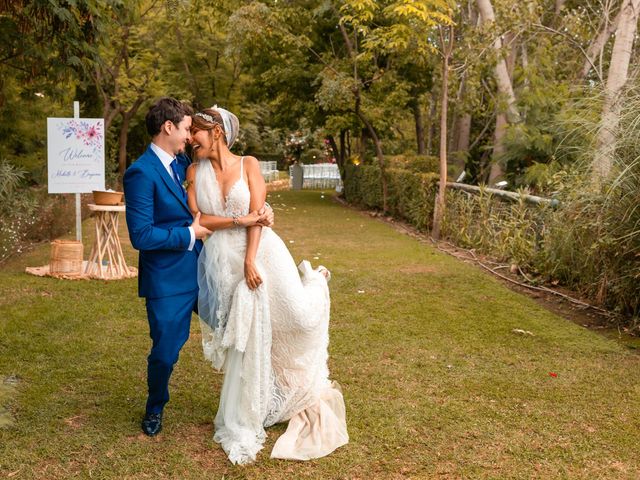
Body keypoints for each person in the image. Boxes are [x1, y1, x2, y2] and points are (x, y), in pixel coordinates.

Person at [186, 106, 348, 464]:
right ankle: (253, 402)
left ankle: (316, 284)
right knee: (250, 331)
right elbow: (200, 219)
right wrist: (238, 220)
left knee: (297, 317)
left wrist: (250, 259)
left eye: (195, 131)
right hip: (221, 262)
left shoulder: (249, 164)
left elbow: (259, 216)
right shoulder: (194, 171)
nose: (189, 138)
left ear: (215, 132)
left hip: (263, 254)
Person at [123, 98, 273, 437]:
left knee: (244, 329)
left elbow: (218, 197)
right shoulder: (140, 173)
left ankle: (257, 400)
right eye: (187, 129)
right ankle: (155, 406)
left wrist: (260, 213)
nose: (190, 136)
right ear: (168, 127)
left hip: (211, 269)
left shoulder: (184, 165)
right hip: (167, 279)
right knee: (165, 351)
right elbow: (141, 235)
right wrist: (189, 233)